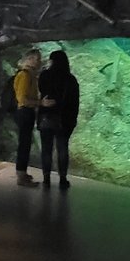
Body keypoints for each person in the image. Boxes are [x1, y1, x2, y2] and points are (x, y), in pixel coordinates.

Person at [37, 50, 80, 190]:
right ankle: (62, 178)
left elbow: (41, 90)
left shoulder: (44, 75)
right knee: (62, 149)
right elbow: (75, 102)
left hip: (46, 117)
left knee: (46, 149)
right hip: (64, 119)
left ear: (52, 61)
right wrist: (73, 120)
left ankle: (46, 178)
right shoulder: (71, 79)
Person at [12, 49, 43, 186]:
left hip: (26, 112)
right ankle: (21, 175)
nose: (39, 62)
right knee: (24, 144)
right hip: (24, 112)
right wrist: (40, 103)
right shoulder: (25, 75)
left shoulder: (30, 75)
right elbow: (22, 99)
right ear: (29, 59)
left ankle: (22, 172)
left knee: (25, 143)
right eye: (37, 59)